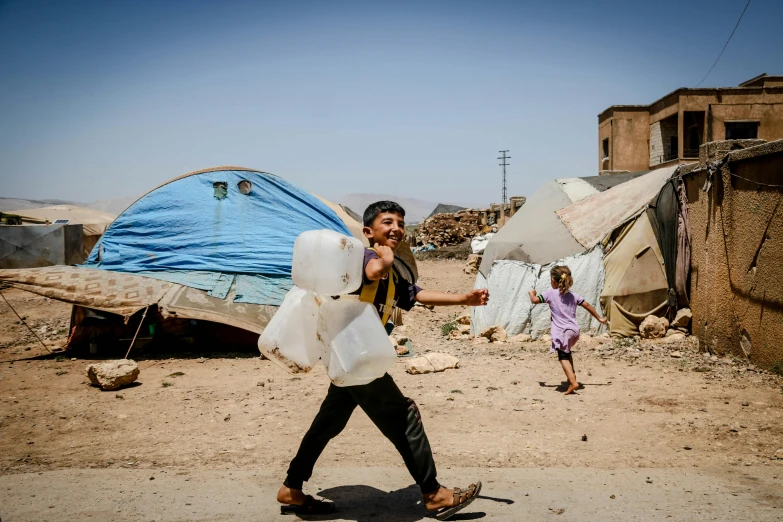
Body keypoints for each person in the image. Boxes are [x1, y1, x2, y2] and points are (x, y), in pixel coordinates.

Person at [277, 201, 490, 520]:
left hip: (351, 354)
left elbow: (416, 295)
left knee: (329, 421)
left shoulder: (391, 272)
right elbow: (374, 270)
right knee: (404, 415)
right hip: (356, 354)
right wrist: (384, 252)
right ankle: (433, 494)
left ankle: (292, 488)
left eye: (401, 223)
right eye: (387, 222)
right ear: (367, 231)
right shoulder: (365, 257)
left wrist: (463, 299)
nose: (397, 228)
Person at [528, 265, 607, 395]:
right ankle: (572, 376)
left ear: (553, 280)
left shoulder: (550, 294)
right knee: (567, 352)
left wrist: (532, 293)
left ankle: (573, 382)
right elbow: (586, 305)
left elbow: (534, 300)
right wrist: (599, 318)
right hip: (574, 331)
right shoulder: (573, 295)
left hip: (562, 331)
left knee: (562, 356)